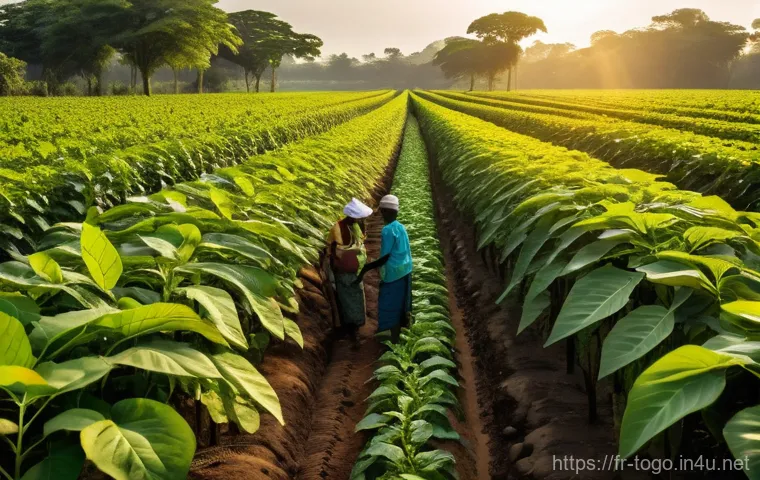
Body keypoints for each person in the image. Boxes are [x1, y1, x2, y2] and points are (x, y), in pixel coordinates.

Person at [356, 194, 413, 343]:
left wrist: (366, 268)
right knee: (401, 304)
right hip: (406, 269)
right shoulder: (400, 227)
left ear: (385, 212)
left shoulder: (387, 230)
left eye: (382, 211)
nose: (381, 214)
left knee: (389, 304)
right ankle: (398, 335)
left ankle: (390, 340)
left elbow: (385, 257)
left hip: (394, 273)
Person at [325, 198, 373, 342]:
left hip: (355, 271)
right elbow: (330, 247)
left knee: (357, 298)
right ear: (351, 216)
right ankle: (350, 329)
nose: (359, 220)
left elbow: (361, 241)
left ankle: (356, 327)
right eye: (358, 218)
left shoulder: (355, 226)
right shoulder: (337, 227)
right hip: (342, 271)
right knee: (345, 300)